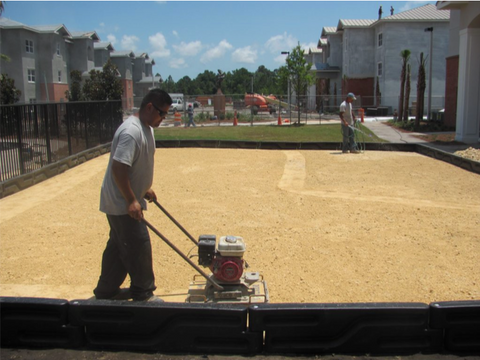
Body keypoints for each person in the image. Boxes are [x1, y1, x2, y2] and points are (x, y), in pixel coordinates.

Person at [93, 89, 172, 302]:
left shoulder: (146, 128)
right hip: (120, 203)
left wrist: (143, 188)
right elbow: (119, 168)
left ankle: (106, 292)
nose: (163, 119)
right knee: (138, 243)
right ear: (149, 107)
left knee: (120, 246)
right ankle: (143, 293)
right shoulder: (131, 131)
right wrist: (130, 200)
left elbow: (135, 164)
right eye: (161, 114)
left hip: (123, 199)